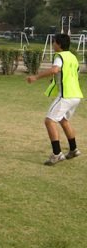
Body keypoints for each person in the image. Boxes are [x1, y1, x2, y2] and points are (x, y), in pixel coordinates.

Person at [27, 33, 83, 165]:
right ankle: (74, 149)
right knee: (63, 120)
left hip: (66, 95)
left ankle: (57, 154)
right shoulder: (73, 57)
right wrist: (56, 80)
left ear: (58, 44)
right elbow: (71, 73)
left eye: (54, 42)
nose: (53, 45)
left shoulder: (59, 56)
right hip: (76, 95)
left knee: (49, 121)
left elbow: (55, 69)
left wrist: (35, 77)